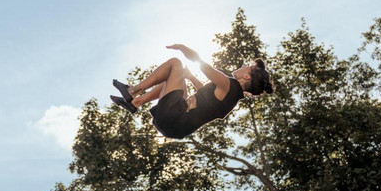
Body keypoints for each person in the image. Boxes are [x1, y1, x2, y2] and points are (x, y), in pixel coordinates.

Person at [111, 45, 272, 140]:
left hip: (173, 118)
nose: (244, 65)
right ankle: (135, 103)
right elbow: (204, 96)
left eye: (247, 67)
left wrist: (184, 49)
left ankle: (132, 91)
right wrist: (189, 76)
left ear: (246, 75)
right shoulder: (231, 98)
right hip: (175, 127)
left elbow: (205, 66)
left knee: (175, 63)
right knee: (176, 75)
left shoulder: (228, 85)